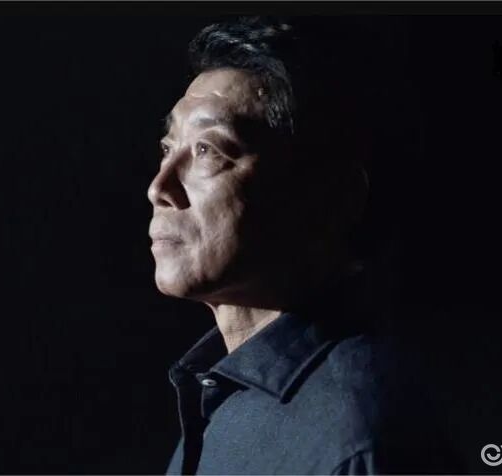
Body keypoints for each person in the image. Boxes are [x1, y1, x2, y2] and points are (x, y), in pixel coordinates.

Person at [147, 17, 460, 475]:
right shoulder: (220, 392)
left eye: (208, 150)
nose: (159, 188)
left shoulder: (359, 441)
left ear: (333, 197)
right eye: (167, 148)